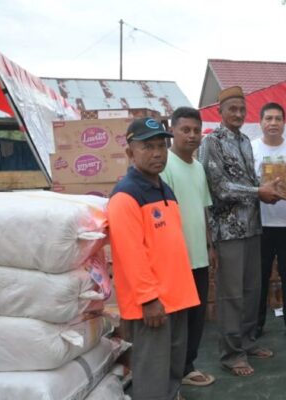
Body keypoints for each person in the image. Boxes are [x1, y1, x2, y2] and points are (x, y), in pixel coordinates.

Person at [108, 117, 200, 400]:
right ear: (130, 152)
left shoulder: (163, 189)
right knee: (152, 374)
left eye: (161, 145)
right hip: (153, 305)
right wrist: (149, 300)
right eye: (148, 146)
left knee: (173, 369)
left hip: (176, 298)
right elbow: (130, 254)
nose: (157, 153)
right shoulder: (126, 196)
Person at [199, 86, 282, 377]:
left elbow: (250, 179)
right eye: (232, 109)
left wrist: (271, 186)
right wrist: (259, 191)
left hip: (252, 226)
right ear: (220, 111)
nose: (237, 114)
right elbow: (219, 188)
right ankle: (231, 354)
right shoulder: (211, 142)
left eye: (241, 109)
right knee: (231, 294)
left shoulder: (246, 141)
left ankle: (246, 342)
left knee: (251, 290)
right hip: (228, 229)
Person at [160, 107, 216, 387]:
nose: (192, 135)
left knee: (196, 317)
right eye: (186, 129)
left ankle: (187, 366)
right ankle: (172, 375)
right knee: (176, 321)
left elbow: (203, 210)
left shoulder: (198, 168)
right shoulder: (164, 166)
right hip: (176, 259)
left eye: (196, 130)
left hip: (199, 256)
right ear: (172, 130)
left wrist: (209, 246)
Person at [251, 102, 286, 342]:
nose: (273, 123)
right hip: (260, 223)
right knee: (259, 277)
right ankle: (256, 324)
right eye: (268, 118)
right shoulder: (250, 149)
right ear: (261, 122)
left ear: (284, 122)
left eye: (278, 119)